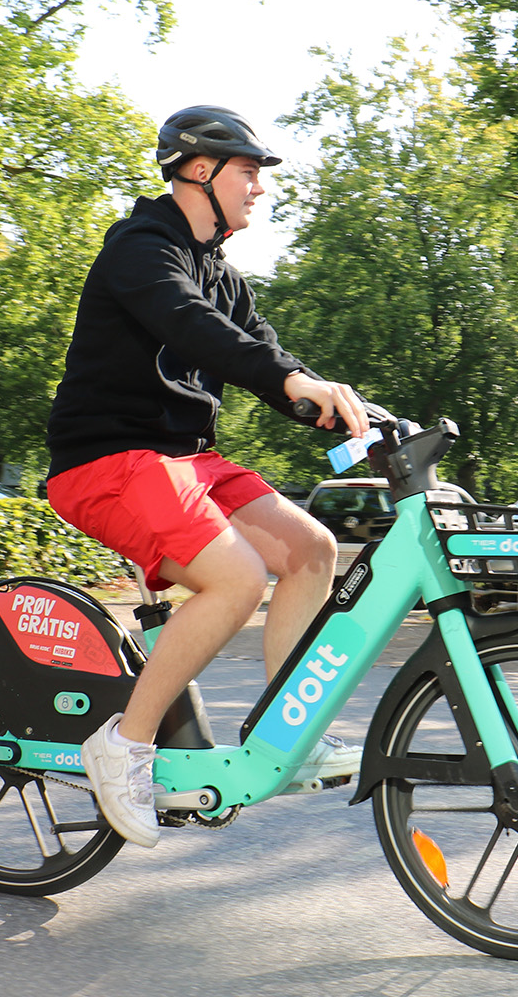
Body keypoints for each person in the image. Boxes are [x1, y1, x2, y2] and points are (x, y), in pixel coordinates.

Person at [44, 106, 369, 848]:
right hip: (108, 460)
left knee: (313, 550)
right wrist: (288, 381)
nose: (259, 187)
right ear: (199, 170)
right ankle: (124, 745)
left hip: (184, 461)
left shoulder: (223, 275)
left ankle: (289, 730)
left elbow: (261, 353)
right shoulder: (139, 248)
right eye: (248, 172)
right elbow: (194, 330)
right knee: (237, 579)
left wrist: (336, 404)